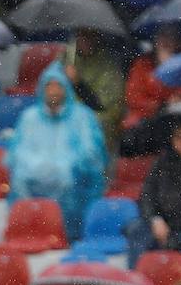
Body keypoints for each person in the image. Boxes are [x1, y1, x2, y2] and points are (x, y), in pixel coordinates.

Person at [7, 60, 108, 241]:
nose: (53, 91)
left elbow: (91, 152)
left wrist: (67, 165)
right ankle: (27, 233)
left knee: (67, 180)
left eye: (58, 86)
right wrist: (37, 166)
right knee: (19, 178)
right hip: (35, 175)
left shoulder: (82, 116)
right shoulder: (29, 118)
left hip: (69, 178)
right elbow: (18, 151)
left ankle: (65, 236)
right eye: (49, 86)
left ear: (67, 89)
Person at [126, 123, 181, 267]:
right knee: (136, 230)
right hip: (162, 224)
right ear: (173, 140)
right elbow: (147, 195)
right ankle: (136, 280)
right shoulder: (161, 163)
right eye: (180, 137)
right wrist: (155, 219)